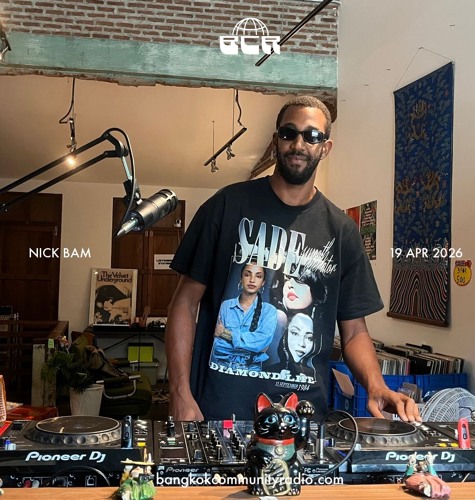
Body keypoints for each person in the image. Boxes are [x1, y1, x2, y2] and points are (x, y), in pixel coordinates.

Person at [166, 95, 421, 422]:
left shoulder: (342, 231)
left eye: (312, 136)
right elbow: (184, 303)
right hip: (216, 411)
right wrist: (179, 393)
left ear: (325, 148)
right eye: (289, 133)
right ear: (276, 141)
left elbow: (354, 331)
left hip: (302, 419)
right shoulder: (227, 206)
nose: (299, 144)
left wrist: (376, 386)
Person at [210, 262, 277, 372]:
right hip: (221, 367)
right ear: (241, 278)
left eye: (258, 276)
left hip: (252, 371)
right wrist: (252, 347)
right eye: (247, 274)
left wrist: (224, 333)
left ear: (263, 282)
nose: (252, 280)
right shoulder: (226, 306)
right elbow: (217, 346)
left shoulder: (269, 311)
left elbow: (261, 344)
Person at [266, 312, 320, 383]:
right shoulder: (266, 371)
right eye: (295, 333)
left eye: (309, 338)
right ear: (284, 336)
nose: (302, 344)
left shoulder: (317, 376)